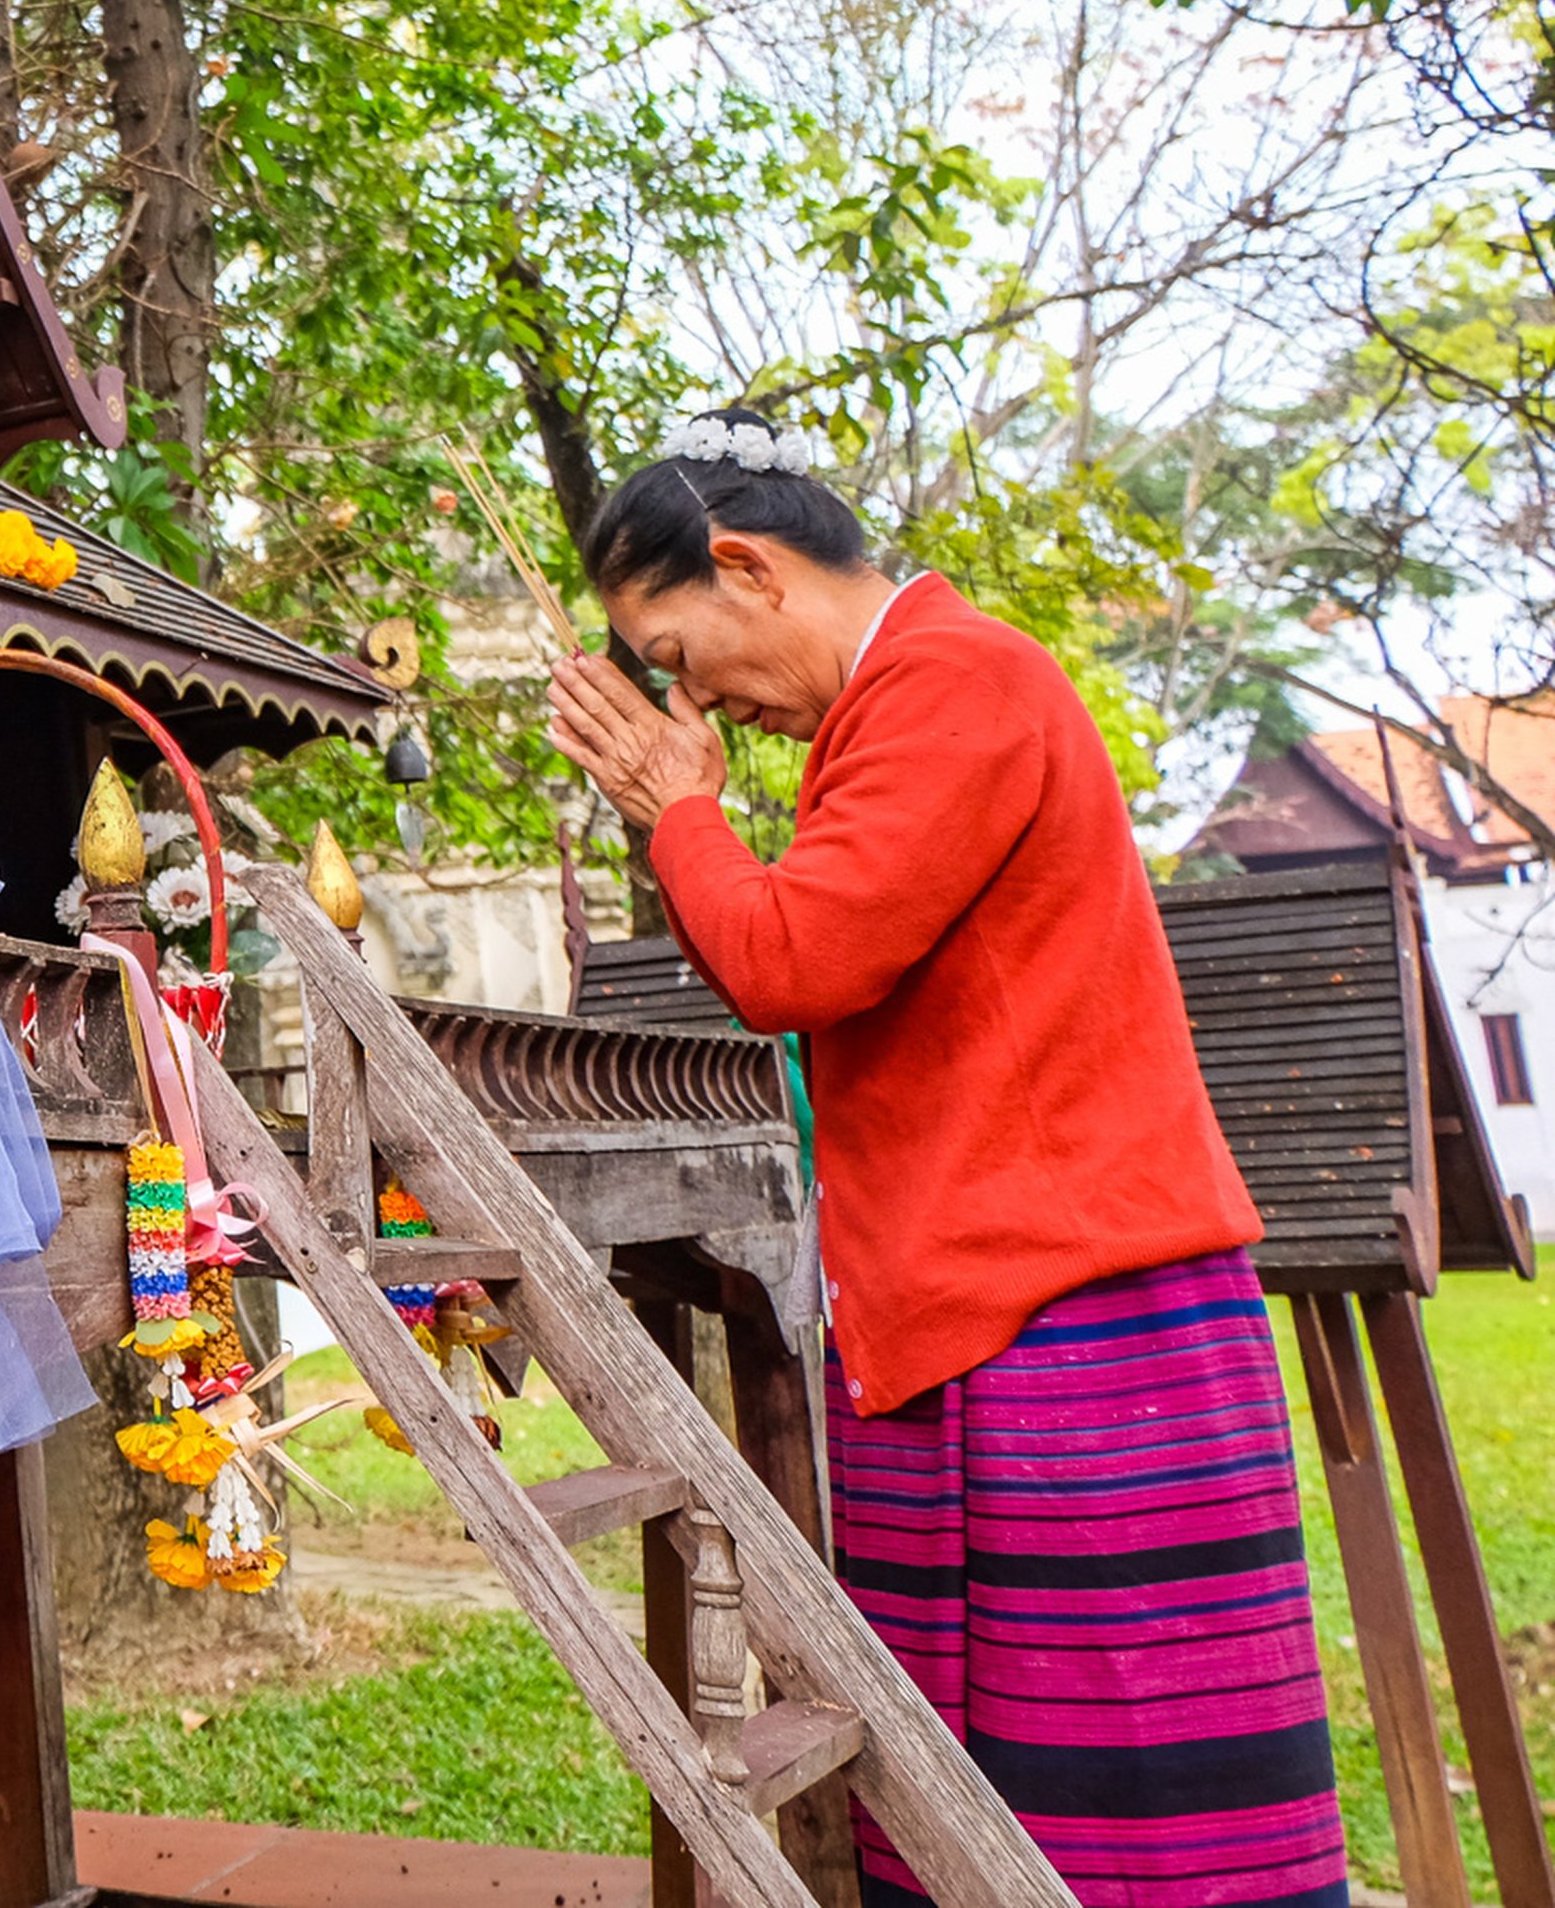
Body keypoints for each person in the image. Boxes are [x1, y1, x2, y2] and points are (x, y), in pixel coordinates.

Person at [543, 406, 1341, 1908]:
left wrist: (679, 810)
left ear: (748, 568)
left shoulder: (953, 685)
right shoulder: (901, 703)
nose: (690, 693)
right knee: (981, 1782)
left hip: (1076, 1318)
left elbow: (794, 958)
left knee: (1134, 1798)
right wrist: (691, 825)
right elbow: (813, 966)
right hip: (982, 1310)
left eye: (675, 649)